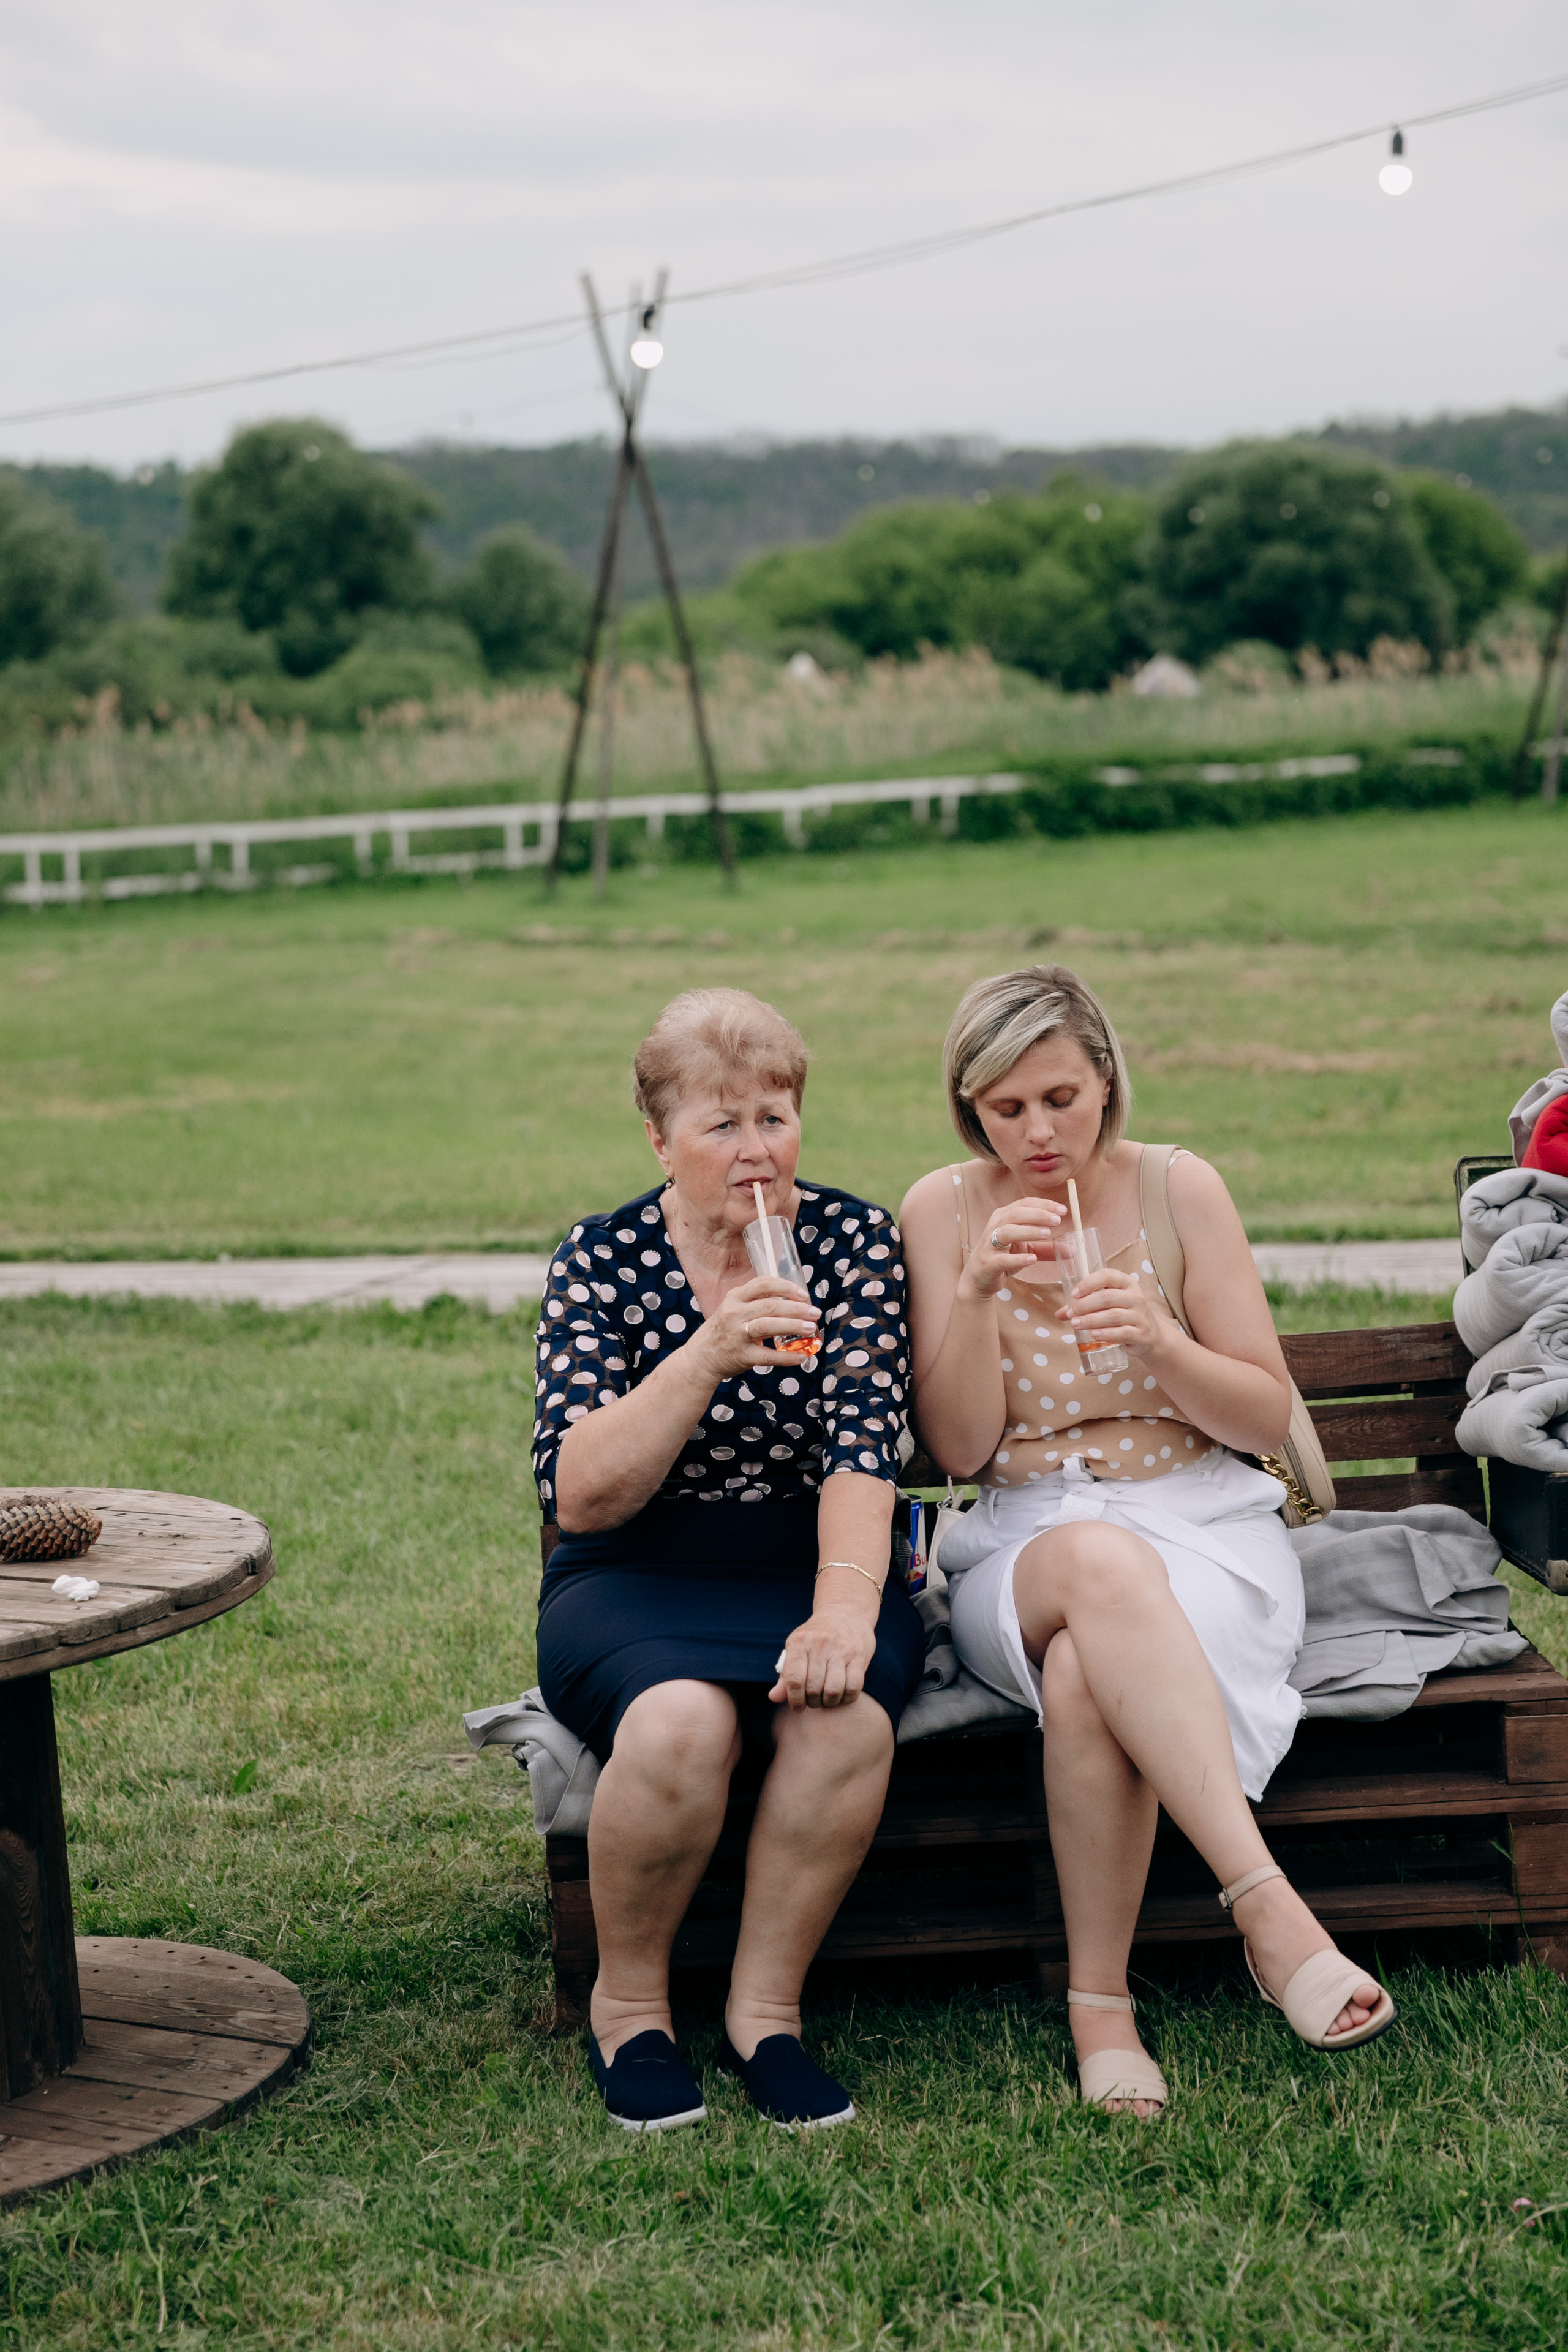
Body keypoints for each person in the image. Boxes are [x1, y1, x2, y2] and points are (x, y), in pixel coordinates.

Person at [899, 964, 1395, 2117]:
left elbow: (1262, 1418)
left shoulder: (1178, 1188)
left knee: (1087, 1671)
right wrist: (973, 1296)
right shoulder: (942, 1209)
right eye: (1005, 1107)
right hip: (1024, 1542)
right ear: (969, 1106)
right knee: (1092, 1566)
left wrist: (1163, 1344)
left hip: (1200, 1525)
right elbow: (961, 1451)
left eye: (1060, 1098)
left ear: (1108, 1081)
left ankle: (1101, 2011)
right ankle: (1268, 1909)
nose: (1037, 1132)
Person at [533, 987, 924, 2134]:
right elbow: (581, 1493)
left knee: (845, 1721)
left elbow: (864, 1447)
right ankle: (630, 2009)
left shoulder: (852, 1243)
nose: (756, 1151)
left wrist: (843, 1610)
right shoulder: (602, 1258)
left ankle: (768, 2016)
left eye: (774, 1118)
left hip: (814, 1558)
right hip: (636, 1573)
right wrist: (705, 1355)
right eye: (721, 1125)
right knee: (679, 1724)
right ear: (661, 1141)